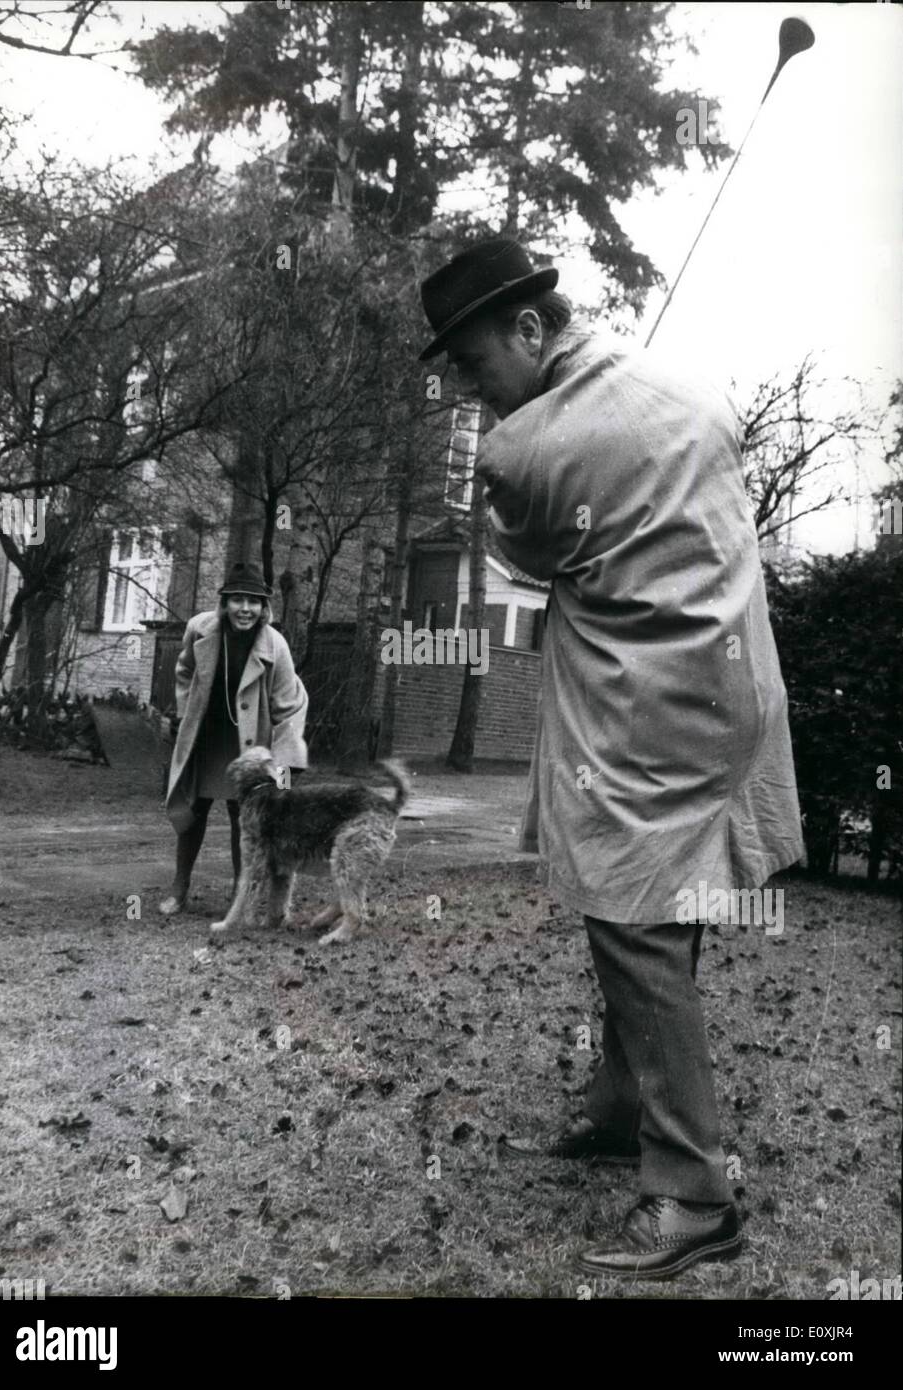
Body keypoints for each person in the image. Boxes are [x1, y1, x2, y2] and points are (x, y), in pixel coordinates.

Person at [417, 238, 804, 1279]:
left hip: (650, 712)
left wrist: (541, 434)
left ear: (531, 328)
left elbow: (529, 557)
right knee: (655, 916)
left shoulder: (520, 456)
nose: (465, 390)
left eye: (469, 361)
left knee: (635, 925)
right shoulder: (688, 388)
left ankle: (692, 1198)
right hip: (735, 692)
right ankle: (619, 1110)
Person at [159, 560, 309, 916]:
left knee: (243, 815)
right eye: (237, 600)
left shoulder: (276, 646)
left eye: (253, 601)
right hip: (206, 736)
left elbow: (289, 707)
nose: (245, 609)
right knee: (192, 809)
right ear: (224, 603)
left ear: (264, 608)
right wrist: (184, 714)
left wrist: (286, 762)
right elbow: (184, 671)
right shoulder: (200, 630)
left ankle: (238, 898)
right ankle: (179, 889)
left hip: (250, 743)